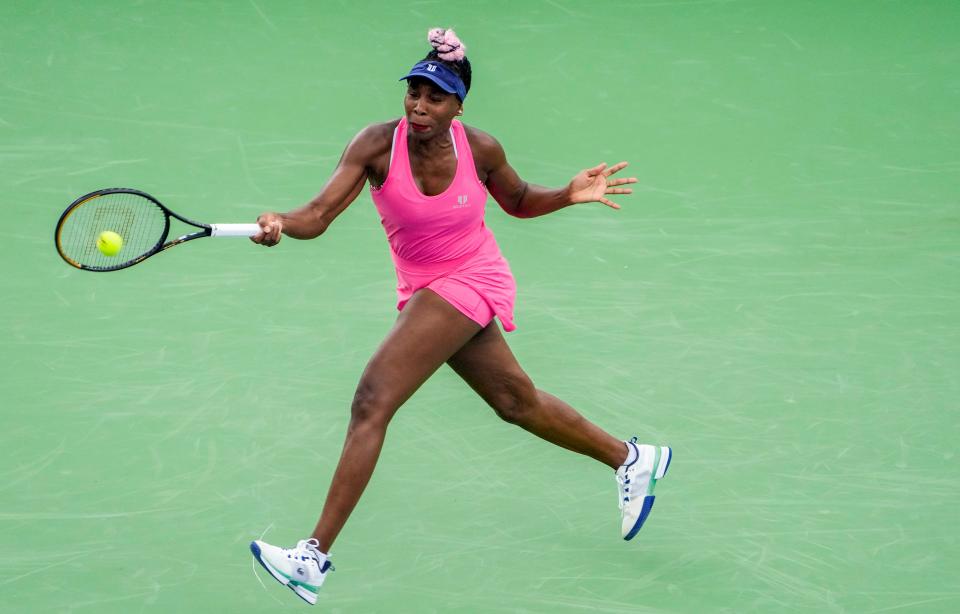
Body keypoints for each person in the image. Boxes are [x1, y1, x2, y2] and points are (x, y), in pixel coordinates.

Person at [248, 28, 672, 605]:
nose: (420, 105)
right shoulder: (375, 145)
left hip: (473, 277)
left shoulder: (482, 149)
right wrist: (280, 222)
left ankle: (312, 558)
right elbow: (319, 213)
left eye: (436, 96)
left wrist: (567, 194)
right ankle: (632, 458)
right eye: (414, 92)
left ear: (458, 105)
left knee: (373, 398)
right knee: (516, 403)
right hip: (423, 286)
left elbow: (519, 200)